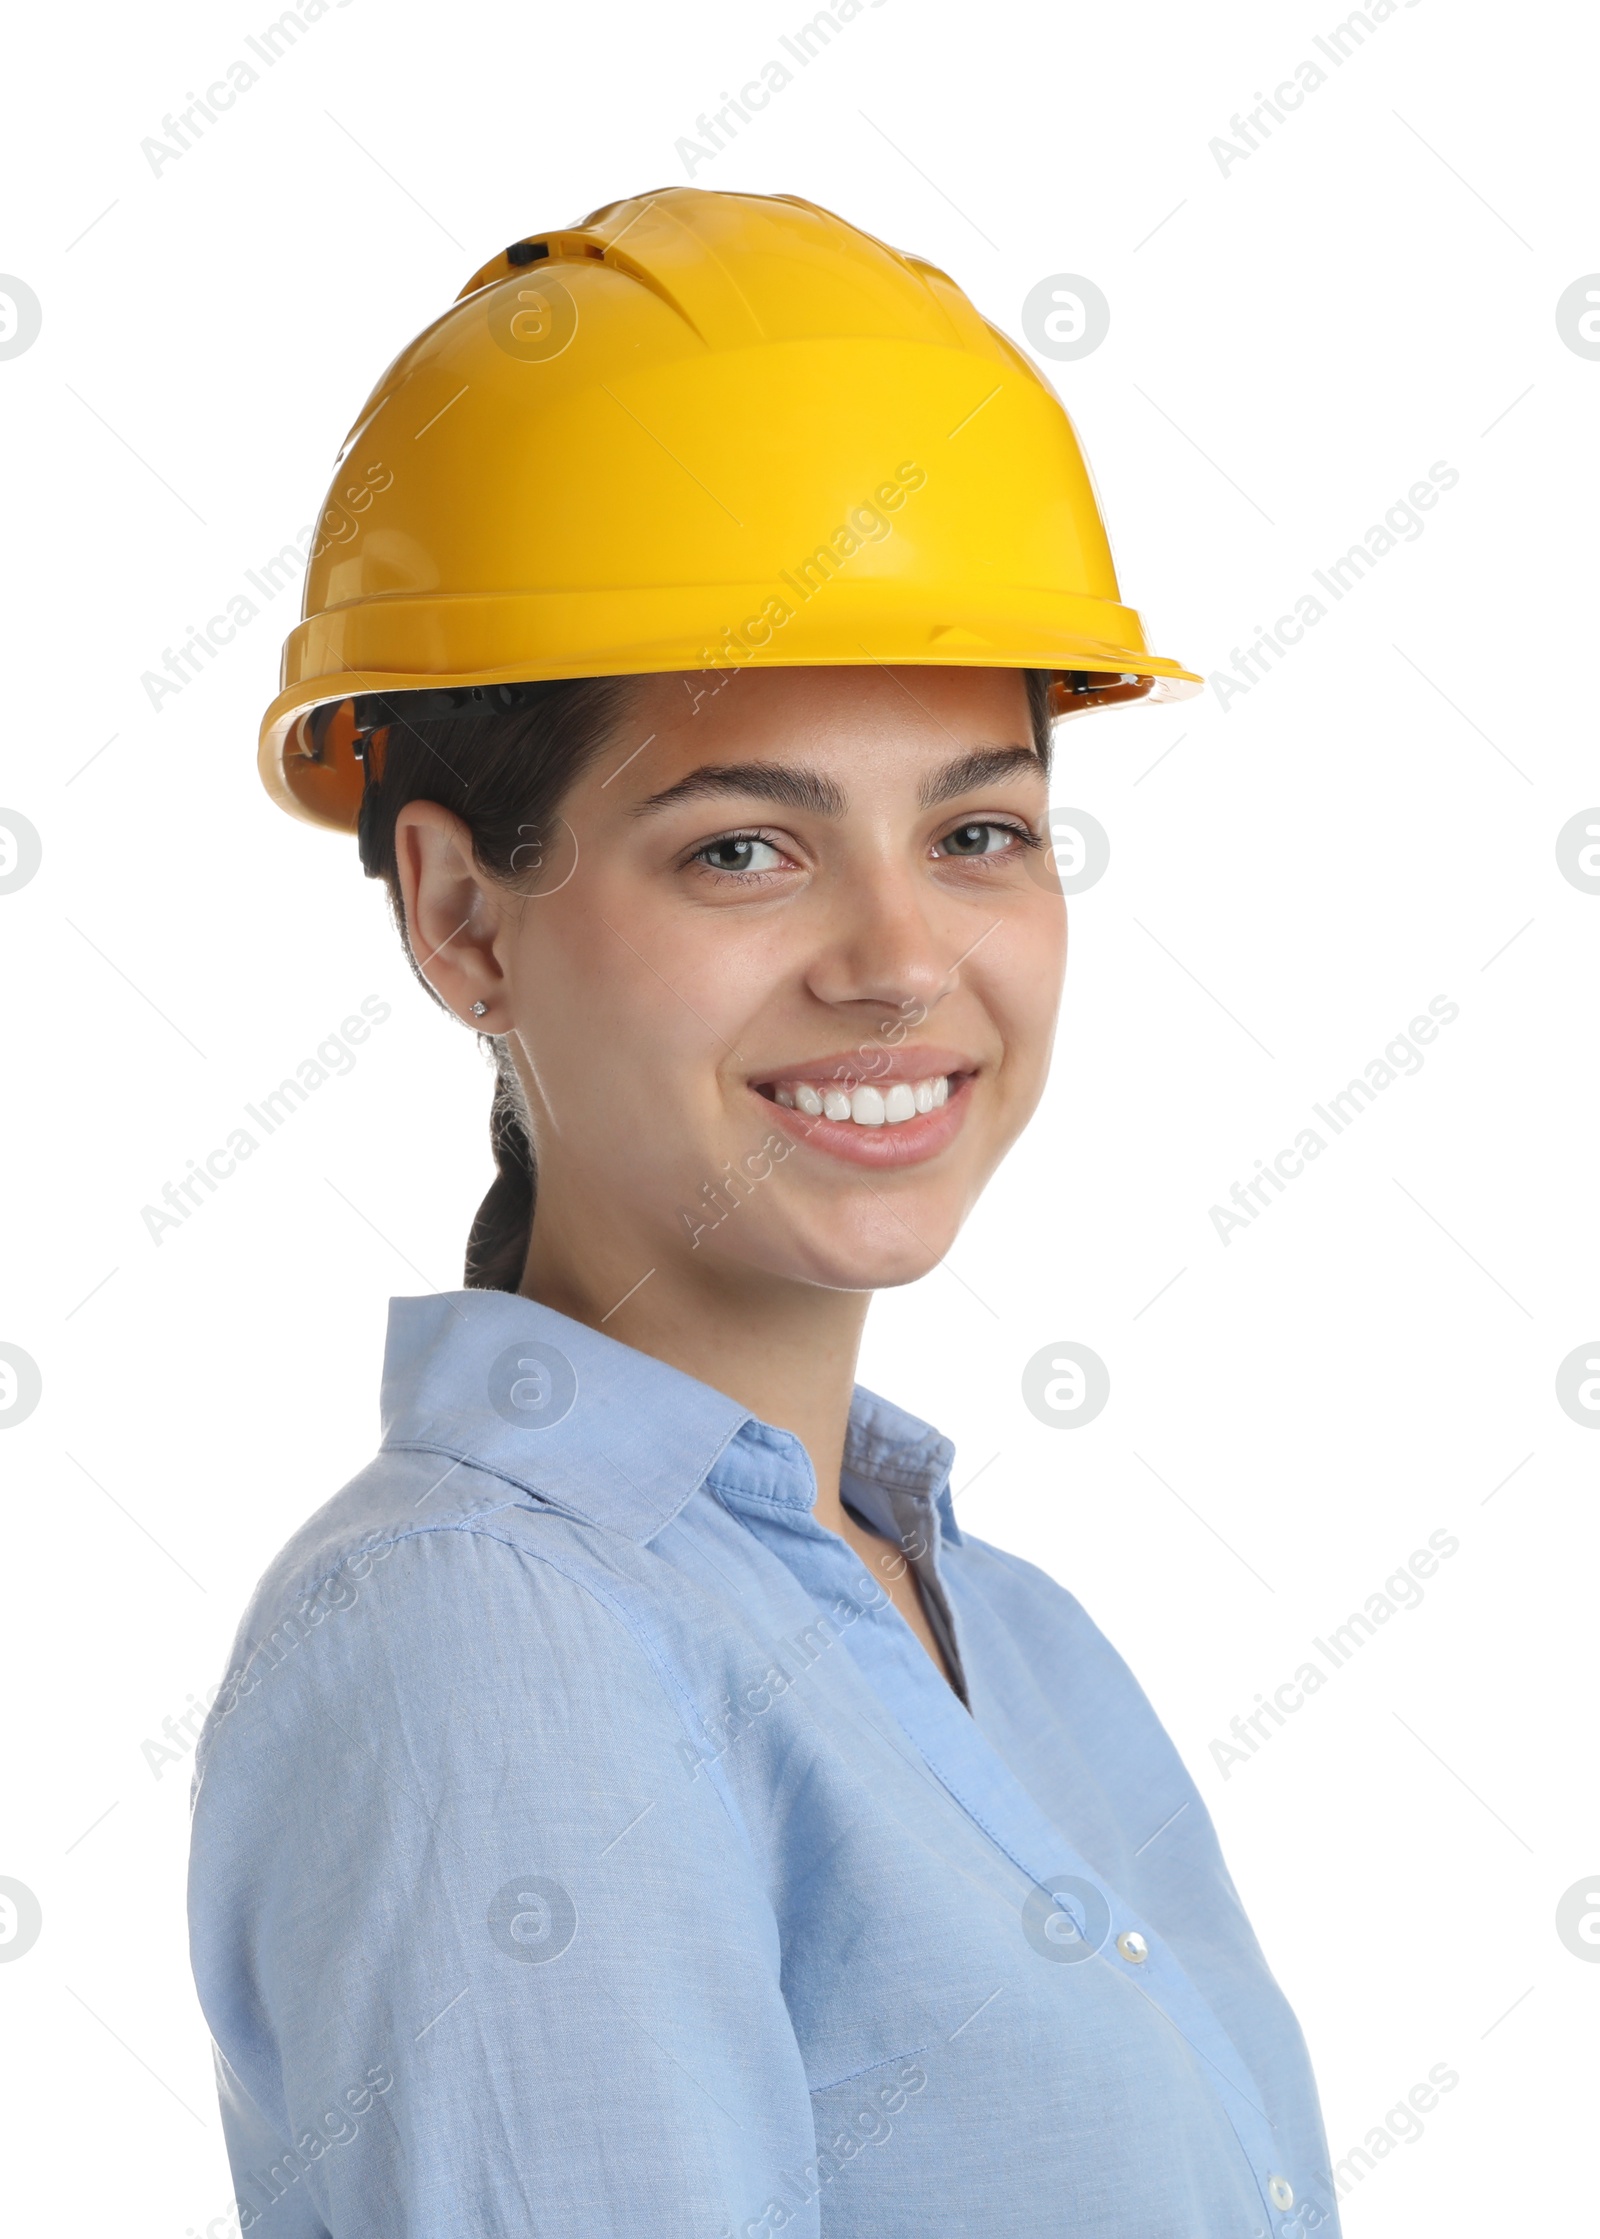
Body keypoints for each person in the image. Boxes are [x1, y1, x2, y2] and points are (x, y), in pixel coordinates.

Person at [187, 188, 1338, 2237]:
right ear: (463, 915)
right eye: (741, 850)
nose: (900, 957)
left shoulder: (1014, 1639)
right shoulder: (489, 1634)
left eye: (977, 829)